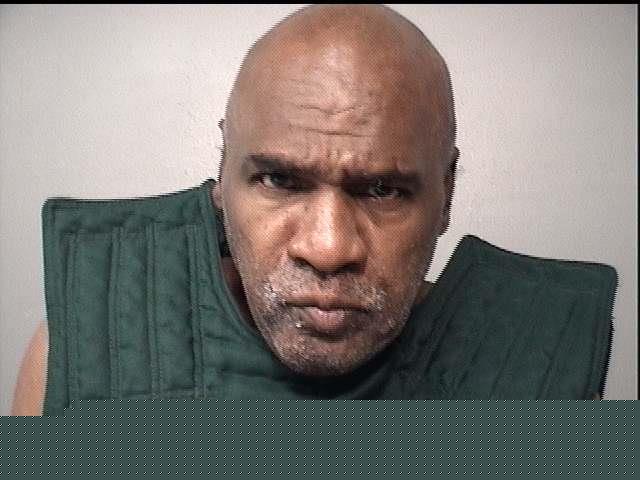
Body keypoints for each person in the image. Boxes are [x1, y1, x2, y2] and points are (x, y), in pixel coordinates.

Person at [11, 5, 610, 415]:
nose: (327, 249)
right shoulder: (81, 351)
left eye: (382, 190)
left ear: (446, 194)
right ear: (222, 179)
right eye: (279, 180)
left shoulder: (543, 370)